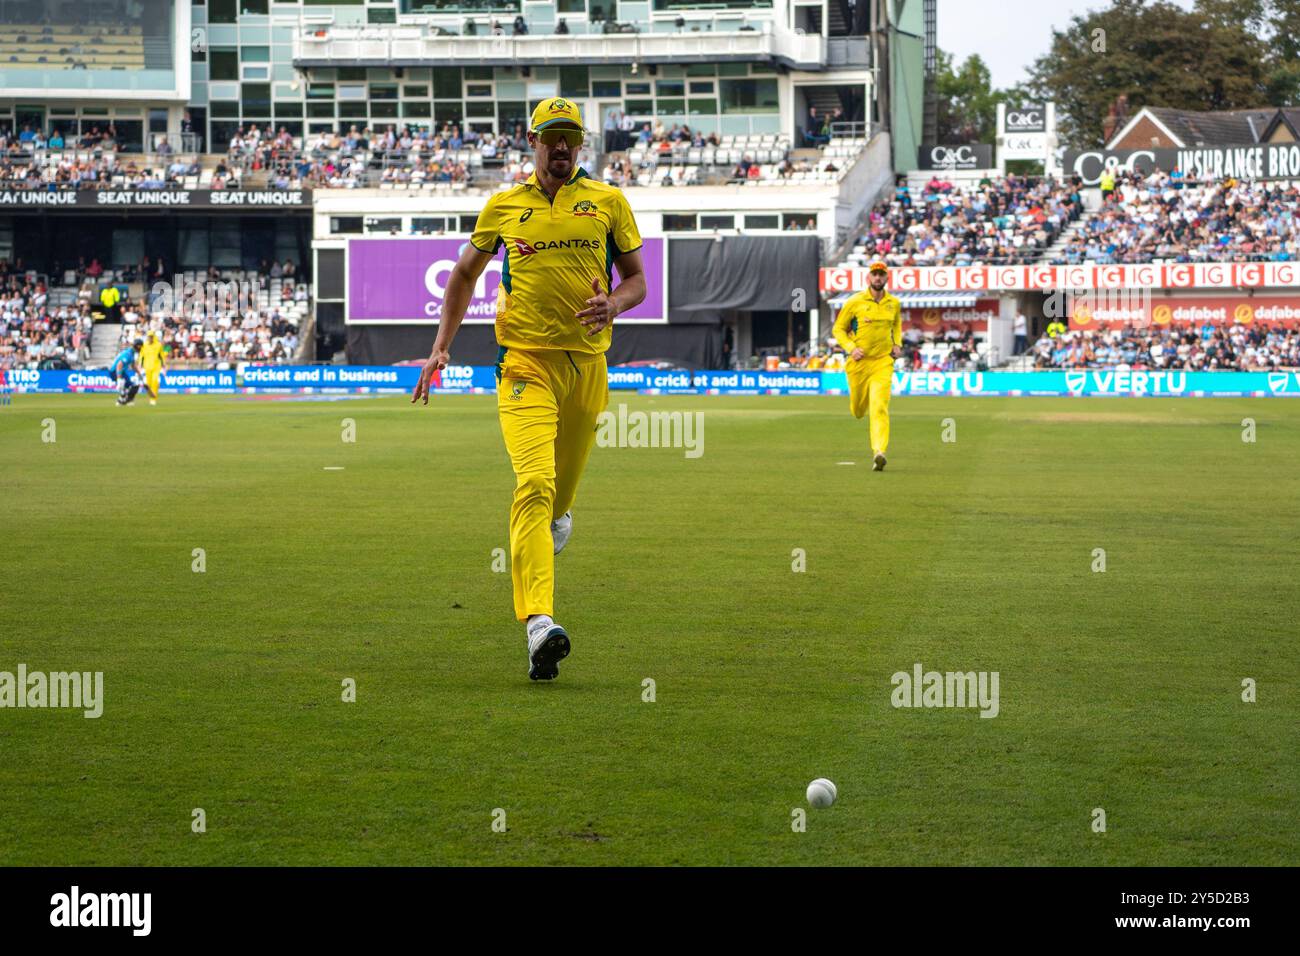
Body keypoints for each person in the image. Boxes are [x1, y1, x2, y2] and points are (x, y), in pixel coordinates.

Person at [411, 97, 647, 681]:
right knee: (534, 483)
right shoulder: (503, 206)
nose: (561, 146)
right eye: (551, 137)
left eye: (571, 137)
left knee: (558, 501)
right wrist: (442, 344)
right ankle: (540, 623)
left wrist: (613, 304)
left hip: (588, 367)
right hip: (523, 364)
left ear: (581, 144)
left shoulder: (609, 202)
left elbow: (639, 281)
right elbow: (464, 273)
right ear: (532, 140)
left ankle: (560, 519)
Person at [832, 260, 901, 471]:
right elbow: (838, 329)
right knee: (859, 410)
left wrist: (897, 344)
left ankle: (879, 452)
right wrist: (851, 348)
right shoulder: (855, 301)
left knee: (879, 406)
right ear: (868, 278)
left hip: (882, 362)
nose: (878, 277)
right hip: (859, 363)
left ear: (887, 278)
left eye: (881, 274)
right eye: (875, 274)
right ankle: (857, 408)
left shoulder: (894, 303)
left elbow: (896, 324)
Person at [109, 339, 143, 406]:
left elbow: (133, 365)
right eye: (140, 346)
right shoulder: (128, 354)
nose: (140, 348)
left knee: (133, 386)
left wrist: (139, 373)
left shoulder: (132, 353)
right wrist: (119, 379)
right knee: (123, 385)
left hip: (122, 371)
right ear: (136, 346)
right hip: (115, 371)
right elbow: (119, 365)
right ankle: (121, 400)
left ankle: (126, 400)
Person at [140, 329, 165, 406]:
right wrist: (139, 365)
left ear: (153, 336)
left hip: (156, 366)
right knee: (148, 384)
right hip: (147, 367)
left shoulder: (158, 345)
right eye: (149, 337)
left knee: (155, 381)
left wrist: (164, 366)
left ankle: (153, 399)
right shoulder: (144, 345)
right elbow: (141, 356)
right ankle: (151, 397)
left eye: (151, 336)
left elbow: (162, 356)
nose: (150, 338)